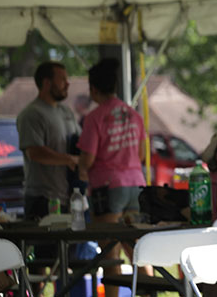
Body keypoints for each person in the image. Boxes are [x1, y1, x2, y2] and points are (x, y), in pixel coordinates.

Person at [77, 58, 147, 297]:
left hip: (108, 187)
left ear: (93, 89)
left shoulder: (95, 118)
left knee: (109, 252)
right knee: (140, 249)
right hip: (136, 184)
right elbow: (140, 154)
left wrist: (81, 169)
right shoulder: (134, 115)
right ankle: (150, 293)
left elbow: (87, 160)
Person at [17, 61, 81, 293]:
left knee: (68, 261)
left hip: (69, 198)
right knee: (41, 262)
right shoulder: (31, 114)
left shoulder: (65, 112)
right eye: (62, 79)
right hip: (42, 198)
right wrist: (67, 159)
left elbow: (80, 144)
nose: (67, 84)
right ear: (46, 83)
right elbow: (34, 151)